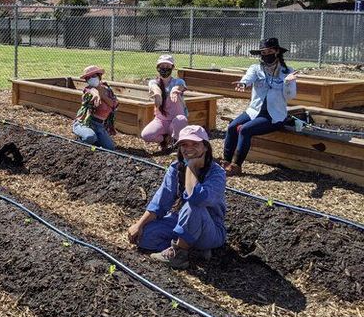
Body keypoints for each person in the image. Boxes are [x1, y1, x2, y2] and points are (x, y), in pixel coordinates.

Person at [127, 125, 226, 269]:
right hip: (182, 220)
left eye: (195, 144)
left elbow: (196, 198)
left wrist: (191, 167)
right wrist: (139, 225)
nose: (188, 148)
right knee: (144, 237)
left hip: (210, 230)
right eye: (184, 145)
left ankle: (178, 254)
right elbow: (160, 202)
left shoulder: (217, 174)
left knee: (193, 206)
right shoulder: (176, 168)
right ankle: (192, 250)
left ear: (205, 147)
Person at [222, 38, 298, 177]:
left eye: (270, 51)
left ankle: (236, 165)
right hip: (254, 111)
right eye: (263, 52)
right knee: (232, 127)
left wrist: (287, 83)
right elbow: (248, 78)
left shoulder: (287, 71)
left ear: (277, 52)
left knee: (245, 130)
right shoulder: (256, 68)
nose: (266, 54)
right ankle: (226, 162)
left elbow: (290, 97)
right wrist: (243, 84)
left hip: (274, 116)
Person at [140, 54, 188, 152]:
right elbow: (154, 87)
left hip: (175, 121)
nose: (165, 69)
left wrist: (175, 90)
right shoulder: (153, 82)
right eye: (162, 66)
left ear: (172, 68)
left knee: (181, 119)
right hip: (161, 121)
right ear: (158, 68)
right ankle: (165, 139)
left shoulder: (178, 81)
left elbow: (180, 86)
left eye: (168, 66)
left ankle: (176, 144)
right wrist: (157, 93)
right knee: (146, 135)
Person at [72, 65, 119, 151]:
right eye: (88, 78)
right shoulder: (88, 90)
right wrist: (96, 93)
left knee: (110, 148)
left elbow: (114, 105)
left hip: (99, 126)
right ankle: (80, 139)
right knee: (90, 137)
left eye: (94, 76)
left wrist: (102, 96)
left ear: (99, 76)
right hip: (85, 123)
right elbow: (90, 91)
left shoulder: (108, 90)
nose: (91, 79)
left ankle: (95, 140)